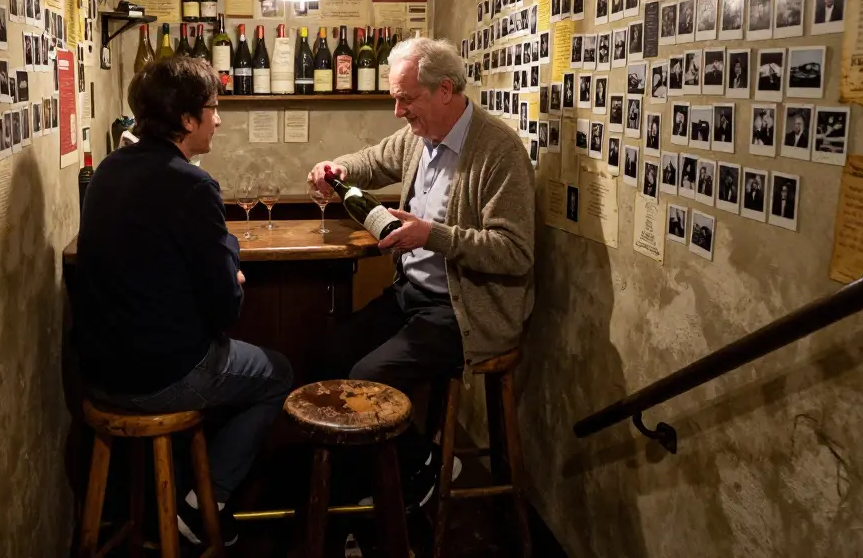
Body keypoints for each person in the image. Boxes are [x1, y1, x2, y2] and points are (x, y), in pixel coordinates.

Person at [72, 57, 292, 546]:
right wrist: (229, 265)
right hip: (159, 379)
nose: (219, 118)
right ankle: (201, 506)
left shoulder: (109, 169)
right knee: (279, 374)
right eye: (213, 108)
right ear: (188, 120)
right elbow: (226, 307)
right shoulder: (192, 184)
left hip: (98, 374)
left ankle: (172, 503)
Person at [308, 37, 535, 507]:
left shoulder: (498, 150)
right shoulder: (419, 137)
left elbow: (515, 252)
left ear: (445, 90)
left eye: (405, 99)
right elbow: (369, 162)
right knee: (329, 355)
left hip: (462, 309)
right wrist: (335, 168)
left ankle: (417, 467)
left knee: (369, 376)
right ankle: (394, 470)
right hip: (410, 294)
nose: (398, 111)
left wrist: (431, 235)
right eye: (396, 97)